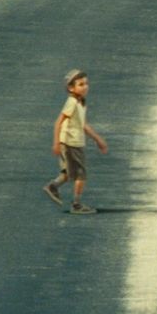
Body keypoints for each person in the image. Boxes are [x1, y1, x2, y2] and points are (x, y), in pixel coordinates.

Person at [43, 69, 107, 214]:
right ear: (71, 88)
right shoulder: (72, 102)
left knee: (68, 172)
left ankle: (53, 186)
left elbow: (83, 125)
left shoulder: (81, 103)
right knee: (80, 175)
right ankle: (76, 205)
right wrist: (56, 143)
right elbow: (58, 122)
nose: (85, 87)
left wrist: (98, 139)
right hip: (71, 143)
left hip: (74, 142)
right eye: (80, 84)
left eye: (86, 83)